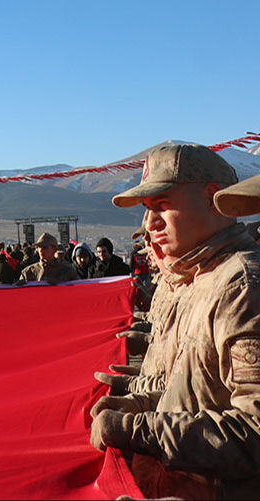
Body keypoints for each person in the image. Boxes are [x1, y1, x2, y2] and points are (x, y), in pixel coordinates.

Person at [90, 144, 259, 498]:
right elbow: (198, 391)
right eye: (147, 210)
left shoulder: (241, 286)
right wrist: (141, 400)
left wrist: (139, 429)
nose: (149, 225)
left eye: (162, 206)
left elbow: (254, 432)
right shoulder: (201, 277)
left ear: (213, 198)